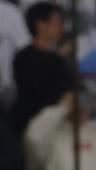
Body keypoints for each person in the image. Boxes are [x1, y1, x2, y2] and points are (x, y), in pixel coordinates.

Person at [12, 1, 72, 132]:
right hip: (31, 124)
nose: (61, 27)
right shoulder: (23, 58)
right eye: (57, 22)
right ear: (41, 25)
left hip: (58, 124)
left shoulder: (58, 60)